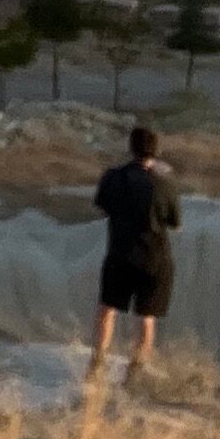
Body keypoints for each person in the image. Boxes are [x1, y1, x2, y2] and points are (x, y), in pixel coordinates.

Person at [90, 122, 180, 387]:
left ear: (131, 148)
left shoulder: (113, 177)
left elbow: (102, 205)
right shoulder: (165, 183)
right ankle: (135, 371)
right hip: (155, 258)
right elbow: (176, 223)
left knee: (107, 310)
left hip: (120, 254)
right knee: (146, 319)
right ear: (156, 151)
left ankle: (97, 363)